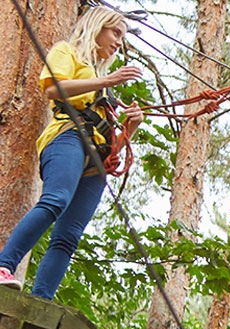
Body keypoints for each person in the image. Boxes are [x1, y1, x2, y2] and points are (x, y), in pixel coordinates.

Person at [0, 6, 143, 298]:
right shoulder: (67, 52)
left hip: (96, 159)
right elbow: (54, 89)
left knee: (68, 237)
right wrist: (107, 81)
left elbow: (113, 150)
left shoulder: (105, 90)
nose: (118, 42)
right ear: (97, 26)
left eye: (122, 37)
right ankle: (4, 264)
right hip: (68, 138)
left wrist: (130, 127)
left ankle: (42, 299)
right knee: (55, 200)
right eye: (115, 32)